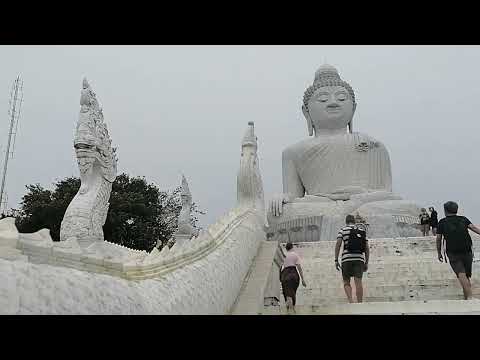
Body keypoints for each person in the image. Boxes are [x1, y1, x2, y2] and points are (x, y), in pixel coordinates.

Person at [437, 201, 480, 300]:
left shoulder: (442, 222)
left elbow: (439, 238)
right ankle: (467, 298)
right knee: (466, 276)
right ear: (456, 210)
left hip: (453, 251)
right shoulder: (463, 219)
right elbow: (474, 228)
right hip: (467, 250)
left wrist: (439, 253)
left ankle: (469, 297)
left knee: (461, 274)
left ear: (445, 211)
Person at [335, 214, 370, 303]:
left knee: (346, 282)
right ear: (354, 221)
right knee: (358, 282)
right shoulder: (361, 231)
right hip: (359, 258)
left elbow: (338, 244)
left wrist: (336, 259)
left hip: (346, 259)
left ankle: (351, 301)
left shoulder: (343, 230)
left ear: (346, 222)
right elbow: (366, 248)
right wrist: (366, 262)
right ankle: (359, 303)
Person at [280, 242, 306, 314]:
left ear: (286, 248)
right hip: (294, 275)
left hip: (285, 275)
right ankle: (291, 309)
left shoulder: (284, 256)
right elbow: (299, 267)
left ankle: (290, 310)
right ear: (292, 247)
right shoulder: (295, 255)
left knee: (288, 293)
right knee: (292, 293)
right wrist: (303, 279)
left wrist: (280, 277)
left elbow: (280, 267)